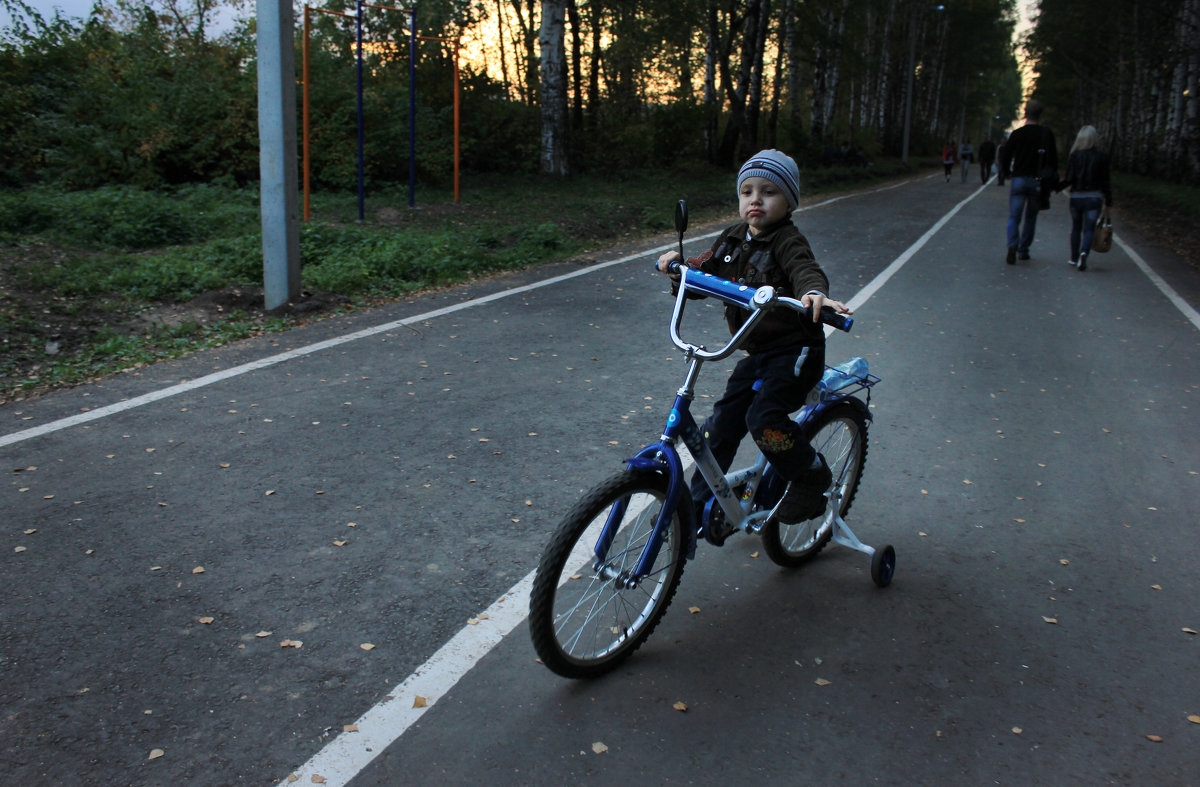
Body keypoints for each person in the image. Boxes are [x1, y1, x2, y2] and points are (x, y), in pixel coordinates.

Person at [655, 150, 852, 525]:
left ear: (789, 201)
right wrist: (681, 268)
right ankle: (696, 506)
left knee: (764, 420)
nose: (756, 200)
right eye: (747, 191)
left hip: (796, 353)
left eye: (769, 192)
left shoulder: (787, 240)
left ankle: (810, 476)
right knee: (722, 424)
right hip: (757, 350)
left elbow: (805, 269)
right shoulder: (731, 237)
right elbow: (707, 269)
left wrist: (813, 293)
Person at [997, 99, 1057, 264]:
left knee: (1014, 216)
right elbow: (1053, 159)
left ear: (1025, 113)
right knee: (1031, 217)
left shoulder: (1018, 134)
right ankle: (1023, 250)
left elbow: (1005, 155)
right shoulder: (1046, 134)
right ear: (1040, 115)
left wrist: (1007, 172)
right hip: (1037, 181)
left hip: (1019, 179)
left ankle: (1012, 244)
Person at [1056, 125, 1113, 272]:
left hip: (1077, 197)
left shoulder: (1075, 156)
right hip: (1094, 198)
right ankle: (1084, 253)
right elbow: (1105, 181)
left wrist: (1056, 187)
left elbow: (1069, 178)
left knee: (1076, 227)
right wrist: (1108, 199)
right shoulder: (1102, 157)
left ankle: (1073, 257)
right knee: (1089, 229)